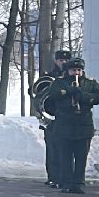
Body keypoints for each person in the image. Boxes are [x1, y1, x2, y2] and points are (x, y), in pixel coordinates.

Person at [40, 58, 99, 194]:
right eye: (73, 70)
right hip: (65, 123)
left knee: (81, 156)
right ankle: (66, 182)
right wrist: (69, 91)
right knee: (65, 155)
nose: (76, 72)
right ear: (68, 71)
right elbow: (53, 95)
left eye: (79, 70)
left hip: (83, 124)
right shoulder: (59, 82)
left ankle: (78, 182)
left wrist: (83, 96)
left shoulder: (90, 83)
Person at [33, 49, 71, 186]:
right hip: (50, 119)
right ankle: (52, 177)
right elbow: (36, 94)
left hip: (67, 119)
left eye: (66, 60)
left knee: (65, 149)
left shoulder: (72, 78)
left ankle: (64, 177)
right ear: (56, 61)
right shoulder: (49, 76)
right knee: (52, 149)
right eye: (61, 60)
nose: (64, 63)